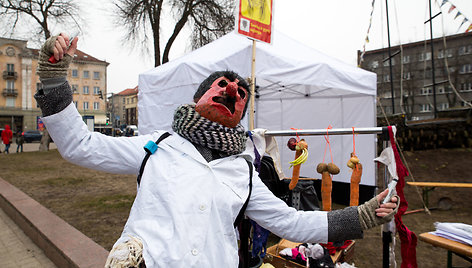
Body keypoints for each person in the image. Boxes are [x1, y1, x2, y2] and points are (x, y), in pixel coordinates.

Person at [34, 33, 399, 268]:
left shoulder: (244, 171)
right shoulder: (157, 145)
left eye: (241, 94)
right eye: (222, 85)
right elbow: (80, 145)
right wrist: (53, 79)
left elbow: (293, 222)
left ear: (241, 113)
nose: (232, 93)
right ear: (199, 98)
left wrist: (363, 215)